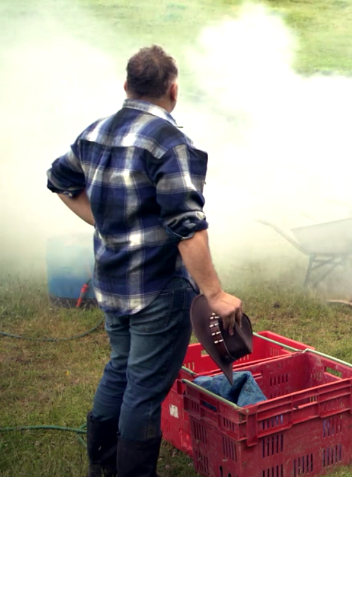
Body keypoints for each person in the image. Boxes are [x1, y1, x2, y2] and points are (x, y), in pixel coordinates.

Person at [47, 46, 242, 478]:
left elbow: (59, 180)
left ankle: (102, 466)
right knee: (143, 389)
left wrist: (104, 223)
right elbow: (187, 227)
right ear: (173, 90)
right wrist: (215, 294)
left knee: (120, 367)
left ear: (126, 86)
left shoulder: (94, 132)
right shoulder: (171, 143)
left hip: (111, 280)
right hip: (158, 288)